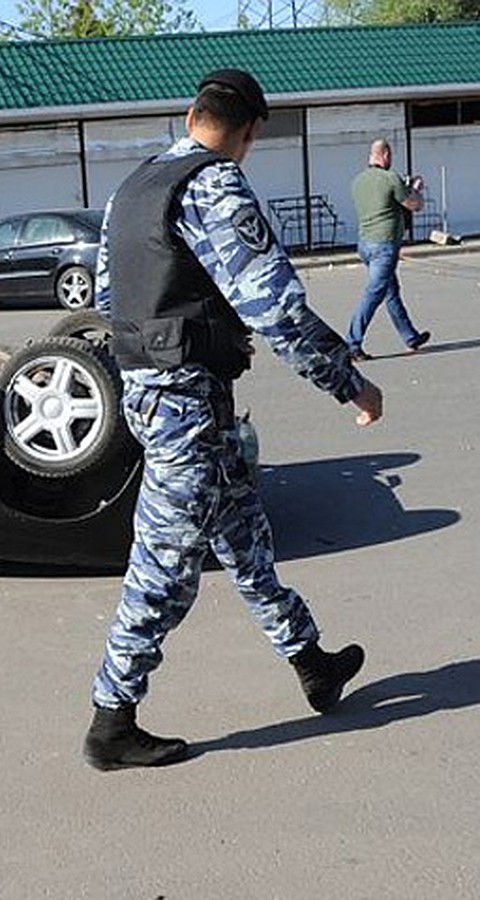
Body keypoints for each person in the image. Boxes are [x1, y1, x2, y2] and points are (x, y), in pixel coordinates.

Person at [83, 68, 384, 771]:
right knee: (163, 570)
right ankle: (110, 721)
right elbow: (273, 308)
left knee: (246, 539)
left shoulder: (133, 188)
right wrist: (350, 383)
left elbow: (108, 293)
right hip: (185, 404)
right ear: (248, 133)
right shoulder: (213, 182)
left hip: (159, 390)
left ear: (191, 113)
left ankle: (313, 662)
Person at [345, 138, 431, 361]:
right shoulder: (390, 178)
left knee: (391, 292)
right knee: (373, 294)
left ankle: (410, 336)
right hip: (384, 245)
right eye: (390, 156)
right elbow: (415, 205)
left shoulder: (358, 181)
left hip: (364, 244)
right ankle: (352, 343)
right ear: (385, 155)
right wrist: (415, 189)